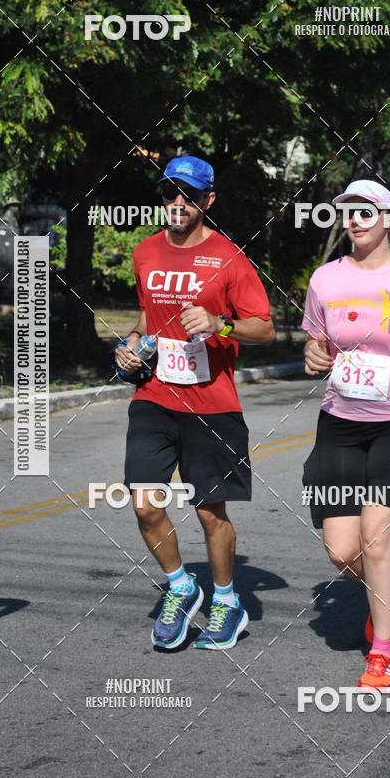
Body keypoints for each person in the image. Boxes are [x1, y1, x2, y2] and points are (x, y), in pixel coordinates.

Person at [115, 155, 275, 650]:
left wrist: (220, 323)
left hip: (212, 405)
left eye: (188, 195)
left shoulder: (229, 258)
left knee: (210, 513)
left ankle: (226, 600)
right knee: (145, 504)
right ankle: (182, 586)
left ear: (207, 201)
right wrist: (129, 345)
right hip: (154, 397)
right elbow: (147, 316)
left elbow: (265, 329)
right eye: (169, 193)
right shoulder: (145, 253)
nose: (177, 203)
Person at [302, 179, 390, 690]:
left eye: (364, 212)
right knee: (342, 549)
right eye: (347, 213)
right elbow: (317, 343)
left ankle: (382, 651)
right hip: (339, 423)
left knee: (377, 542)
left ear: (387, 218)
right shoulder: (325, 279)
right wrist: (315, 355)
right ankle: (388, 591)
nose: (353, 221)